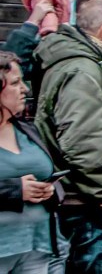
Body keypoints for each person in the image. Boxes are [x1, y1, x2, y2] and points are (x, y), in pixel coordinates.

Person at [34, 0, 102, 274]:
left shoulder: (90, 65)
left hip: (92, 202)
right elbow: (83, 146)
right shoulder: (83, 71)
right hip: (94, 207)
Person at [0, 51, 59, 273]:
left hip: (36, 245)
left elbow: (45, 170)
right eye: (15, 83)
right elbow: (17, 188)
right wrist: (16, 190)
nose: (25, 89)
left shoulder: (26, 129)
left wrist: (48, 189)